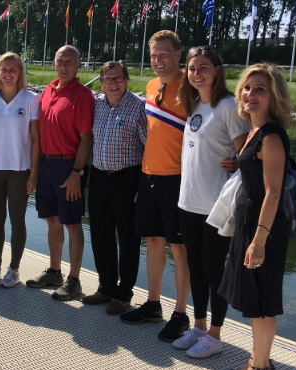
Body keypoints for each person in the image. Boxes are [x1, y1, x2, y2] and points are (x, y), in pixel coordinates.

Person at [172, 46, 249, 358]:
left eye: (203, 67)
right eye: (191, 69)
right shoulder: (195, 105)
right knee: (196, 266)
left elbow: (248, 153)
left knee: (215, 269)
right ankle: (200, 327)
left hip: (216, 206)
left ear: (217, 70)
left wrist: (237, 162)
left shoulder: (228, 106)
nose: (196, 74)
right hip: (188, 201)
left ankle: (216, 335)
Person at [218, 63, 292, 370]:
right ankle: (257, 359)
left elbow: (273, 192)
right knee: (254, 299)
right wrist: (238, 165)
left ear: (274, 96)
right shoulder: (254, 131)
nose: (251, 94)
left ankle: (261, 365)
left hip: (265, 228)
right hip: (251, 222)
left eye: (260, 89)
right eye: (247, 88)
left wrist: (259, 240)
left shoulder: (271, 136)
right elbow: (258, 175)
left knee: (263, 302)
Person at [119, 30, 191, 342]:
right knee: (154, 241)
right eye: (153, 55)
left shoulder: (192, 85)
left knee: (179, 247)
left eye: (164, 54)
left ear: (178, 54)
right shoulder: (150, 85)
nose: (158, 60)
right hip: (149, 176)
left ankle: (181, 314)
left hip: (178, 177)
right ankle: (152, 304)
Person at [25, 45, 94, 300]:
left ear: (78, 65)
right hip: (46, 164)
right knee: (52, 220)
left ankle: (74, 279)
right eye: (59, 61)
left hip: (69, 165)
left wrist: (77, 172)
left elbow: (86, 138)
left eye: (69, 62)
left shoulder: (83, 95)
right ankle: (55, 271)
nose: (63, 66)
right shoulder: (48, 91)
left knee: (73, 224)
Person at [82, 62, 146, 314]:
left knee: (128, 237)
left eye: (118, 78)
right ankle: (106, 287)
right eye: (108, 79)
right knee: (100, 234)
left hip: (127, 178)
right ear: (101, 82)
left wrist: (144, 184)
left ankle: (124, 293)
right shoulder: (96, 105)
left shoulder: (138, 107)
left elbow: (149, 146)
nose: (113, 83)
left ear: (126, 80)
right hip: (99, 177)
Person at [0, 52, 40, 288]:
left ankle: (14, 270)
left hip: (19, 170)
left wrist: (34, 173)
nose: (8, 74)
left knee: (17, 220)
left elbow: (35, 139)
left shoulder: (31, 100)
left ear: (20, 72)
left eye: (13, 69)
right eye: (4, 69)